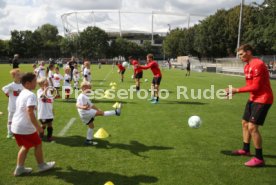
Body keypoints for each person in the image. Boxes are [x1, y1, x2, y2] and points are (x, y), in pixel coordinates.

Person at [225, 44, 273, 167]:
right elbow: (250, 86)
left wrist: (236, 90)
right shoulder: (247, 67)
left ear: (249, 52)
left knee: (252, 127)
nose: (240, 57)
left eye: (241, 54)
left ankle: (259, 158)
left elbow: (256, 87)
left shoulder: (257, 64)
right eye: (239, 55)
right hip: (253, 98)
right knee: (245, 123)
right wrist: (234, 92)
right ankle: (245, 150)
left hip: (263, 99)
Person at [11, 72, 55, 176]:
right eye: (34, 81)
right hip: (24, 127)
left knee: (26, 146)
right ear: (27, 83)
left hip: (16, 126)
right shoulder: (31, 95)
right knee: (38, 144)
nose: (36, 83)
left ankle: (19, 169)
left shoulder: (23, 92)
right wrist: (38, 127)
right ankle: (42, 165)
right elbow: (30, 112)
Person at [2, 69, 23, 138]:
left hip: (20, 107)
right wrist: (8, 95)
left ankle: (15, 133)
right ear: (13, 76)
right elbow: (4, 88)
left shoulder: (22, 85)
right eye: (17, 75)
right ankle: (9, 133)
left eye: (19, 74)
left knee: (18, 120)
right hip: (12, 106)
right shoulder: (11, 85)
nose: (19, 76)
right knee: (10, 120)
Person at [37, 77, 55, 142]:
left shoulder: (49, 91)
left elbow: (51, 101)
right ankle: (40, 134)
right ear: (41, 84)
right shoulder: (39, 91)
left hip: (49, 112)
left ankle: (49, 136)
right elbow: (42, 96)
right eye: (45, 83)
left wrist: (52, 110)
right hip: (42, 112)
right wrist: (45, 89)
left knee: (50, 124)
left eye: (47, 83)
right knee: (43, 125)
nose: (47, 84)